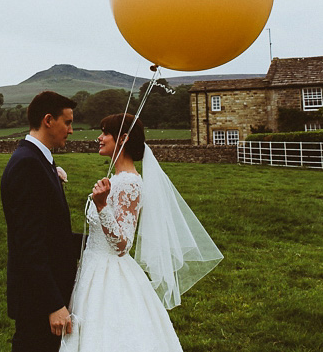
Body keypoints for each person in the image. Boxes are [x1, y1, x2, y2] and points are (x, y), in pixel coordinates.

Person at [62, 113, 222, 351]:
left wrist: (102, 206)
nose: (99, 137)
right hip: (92, 267)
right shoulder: (116, 179)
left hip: (109, 273)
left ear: (123, 139)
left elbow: (122, 245)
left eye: (106, 133)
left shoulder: (130, 184)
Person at [1, 91, 84, 351]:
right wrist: (53, 305)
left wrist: (95, 244)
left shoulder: (39, 160)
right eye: (67, 122)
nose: (71, 130)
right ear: (48, 120)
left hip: (44, 295)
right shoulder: (28, 165)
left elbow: (52, 234)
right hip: (37, 303)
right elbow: (30, 246)